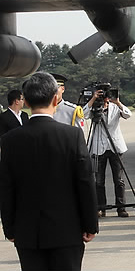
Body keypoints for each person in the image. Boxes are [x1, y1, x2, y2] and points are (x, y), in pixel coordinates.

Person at [0, 72, 98, 271]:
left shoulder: (10, 140)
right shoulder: (71, 135)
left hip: (27, 232)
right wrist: (90, 224)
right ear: (55, 98)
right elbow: (85, 182)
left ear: (25, 101)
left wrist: (9, 227)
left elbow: (6, 186)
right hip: (67, 230)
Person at [85, 88, 132, 218]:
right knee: (99, 181)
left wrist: (117, 102)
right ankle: (101, 208)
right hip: (99, 147)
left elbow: (128, 114)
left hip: (114, 146)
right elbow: (83, 114)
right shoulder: (94, 107)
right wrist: (93, 99)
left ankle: (121, 208)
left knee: (119, 179)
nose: (105, 97)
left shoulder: (115, 107)